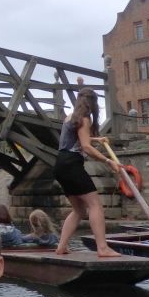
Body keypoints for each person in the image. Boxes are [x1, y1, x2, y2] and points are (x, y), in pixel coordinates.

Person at [52, 88, 123, 258]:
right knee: (95, 205)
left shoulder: (70, 117)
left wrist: (96, 139)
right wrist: (107, 161)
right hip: (72, 165)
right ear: (93, 103)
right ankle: (103, 248)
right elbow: (85, 147)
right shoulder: (85, 118)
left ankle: (61, 247)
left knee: (79, 210)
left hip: (60, 165)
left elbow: (77, 139)